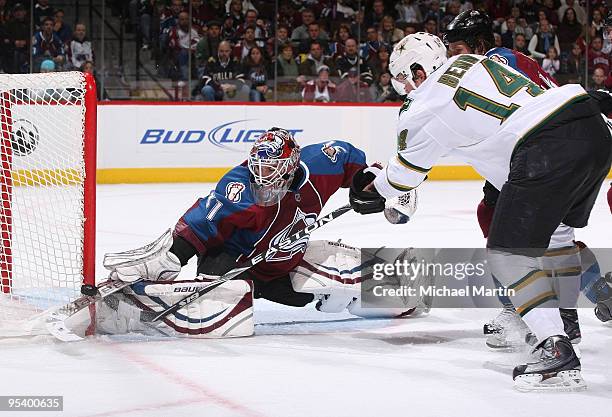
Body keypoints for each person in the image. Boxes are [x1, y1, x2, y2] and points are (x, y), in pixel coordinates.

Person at [349, 32, 612, 391]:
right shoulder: (472, 62)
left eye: (402, 78)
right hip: (589, 125)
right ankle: (565, 321)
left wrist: (373, 189)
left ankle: (556, 349)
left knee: (507, 255)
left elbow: (403, 178)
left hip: (544, 145)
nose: (403, 87)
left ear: (419, 72)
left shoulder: (423, 104)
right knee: (558, 237)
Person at [91, 129, 418, 338]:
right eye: (258, 172)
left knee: (329, 297)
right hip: (236, 261)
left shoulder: (323, 162)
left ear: (290, 167)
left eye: (271, 174)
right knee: (224, 293)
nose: (262, 181)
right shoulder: (238, 188)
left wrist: (385, 186)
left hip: (286, 262)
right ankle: (142, 305)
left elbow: (356, 167)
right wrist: (173, 258)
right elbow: (201, 225)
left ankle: (404, 291)